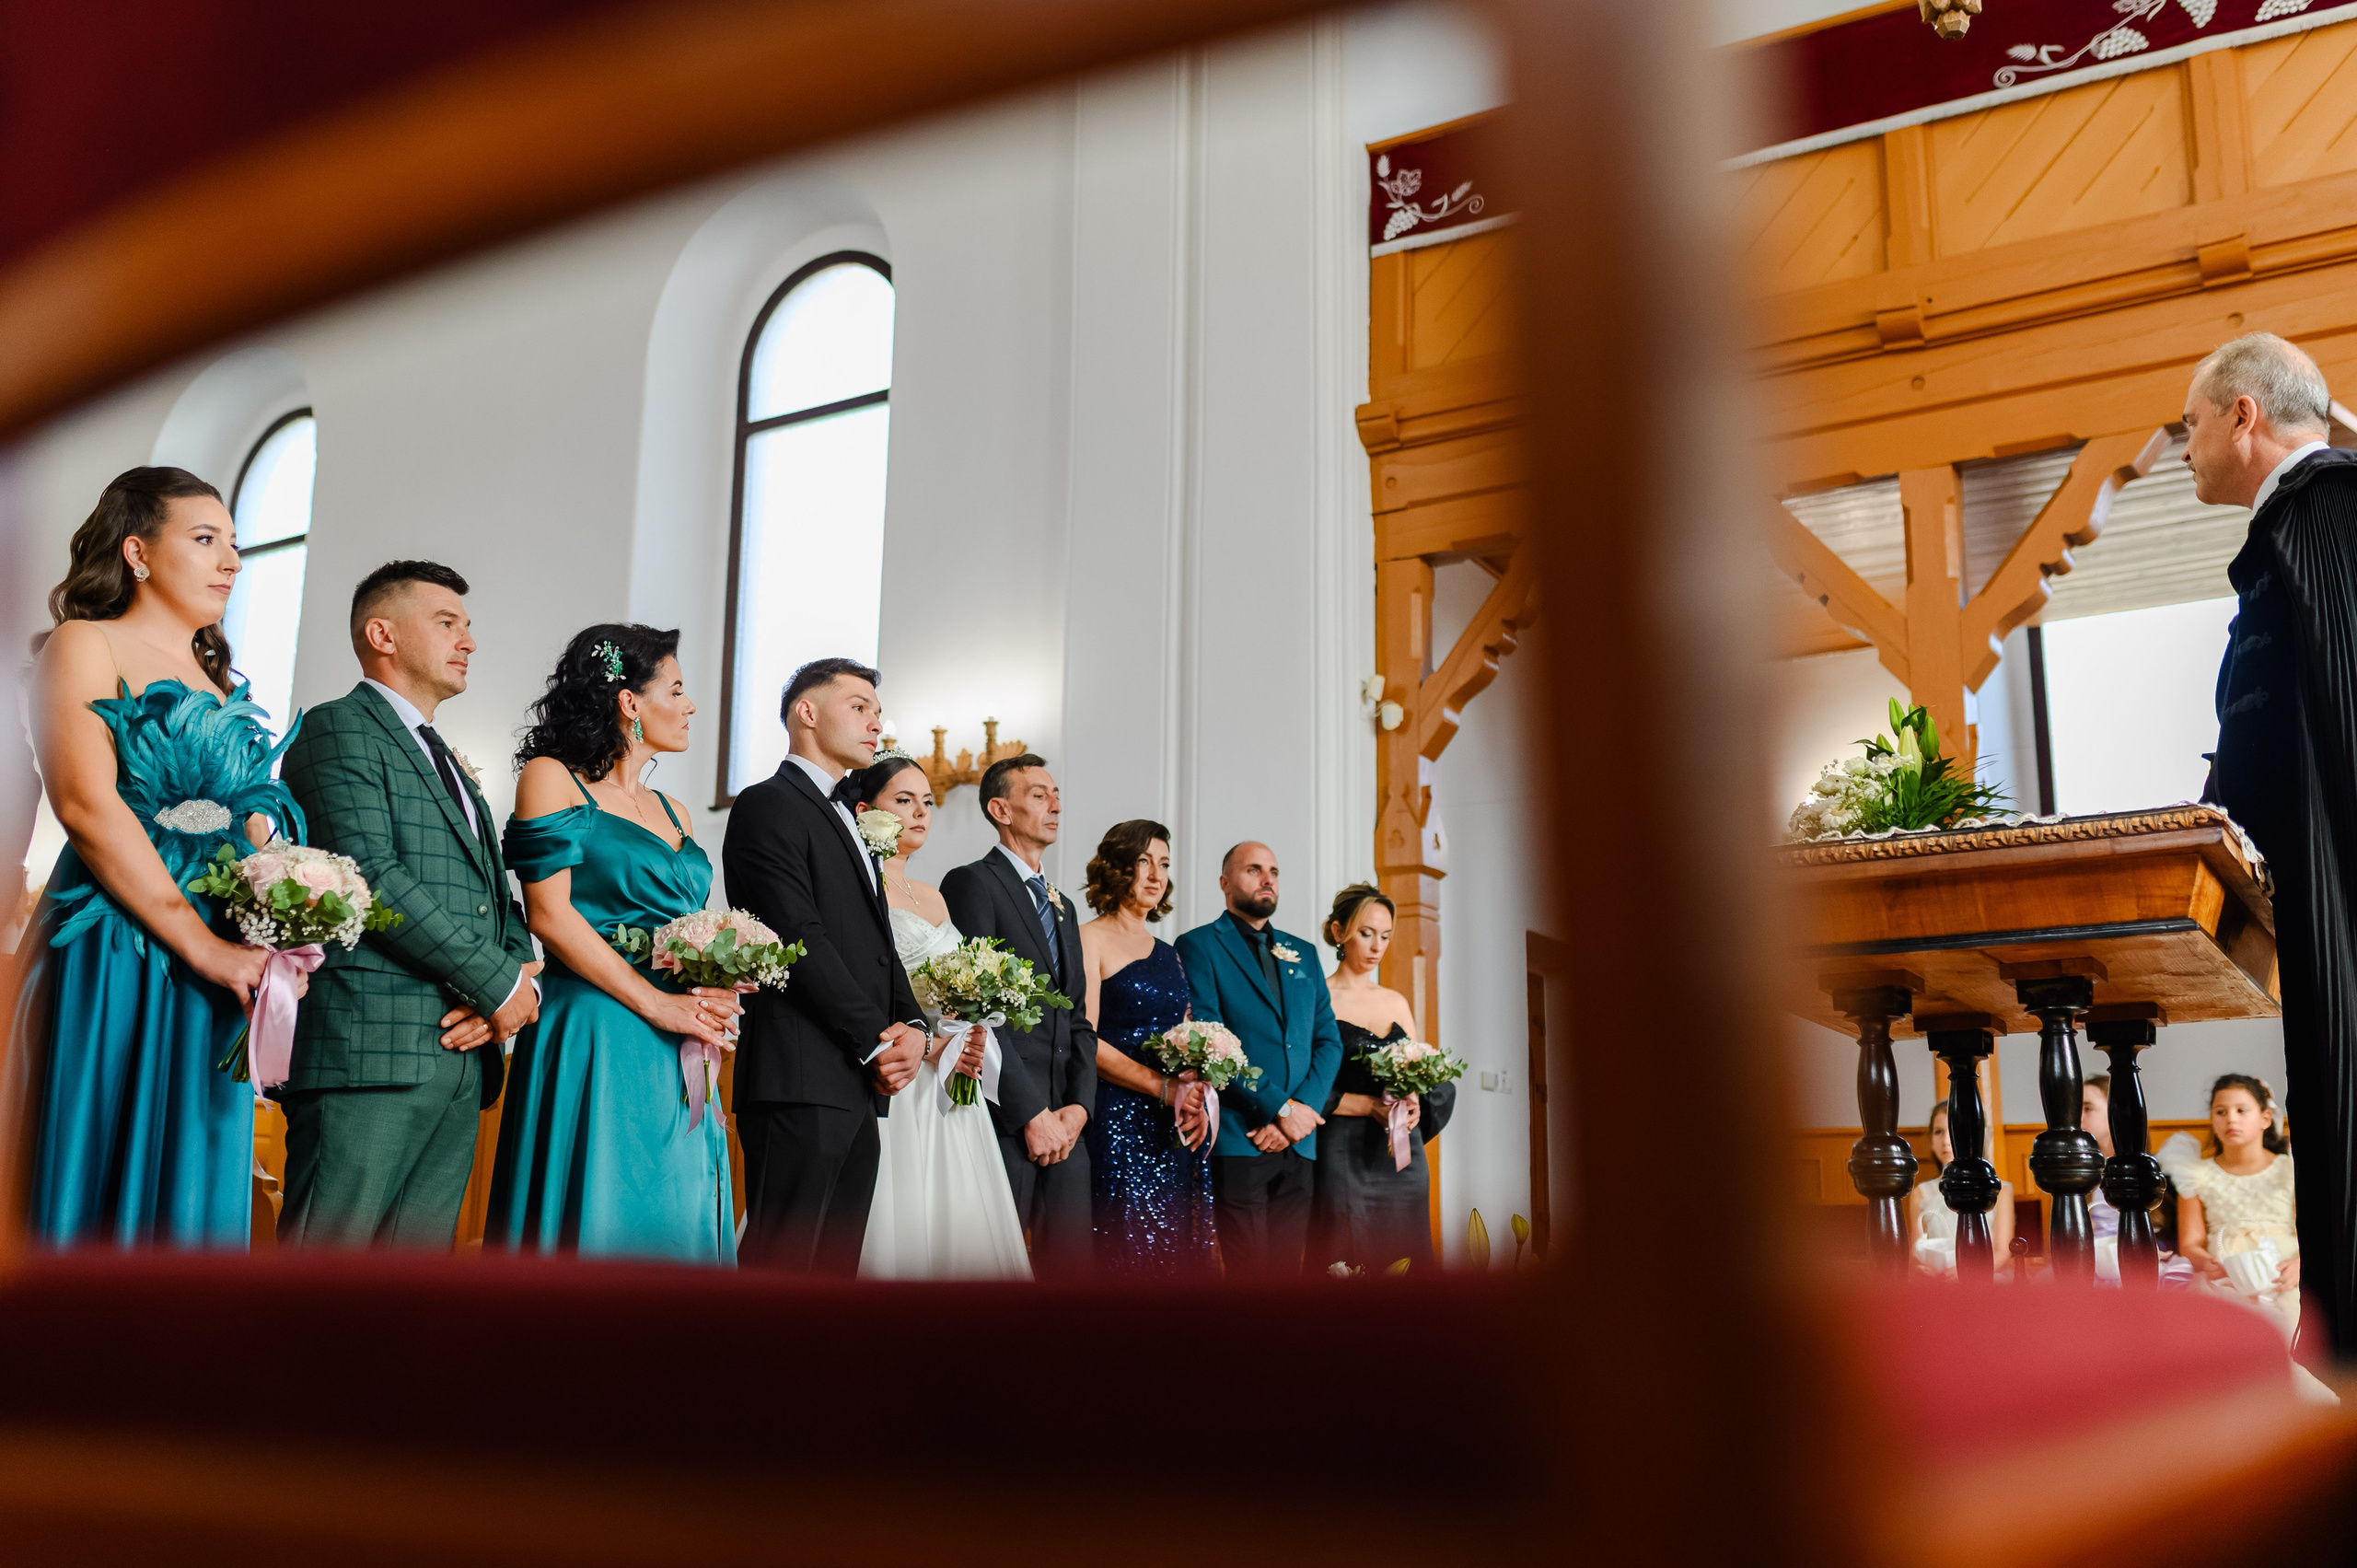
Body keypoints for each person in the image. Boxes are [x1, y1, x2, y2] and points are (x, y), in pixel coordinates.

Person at [9, 467, 303, 1248]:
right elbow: (86, 805)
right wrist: (201, 944)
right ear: (137, 552)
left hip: (221, 952)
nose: (230, 562)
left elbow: (250, 823)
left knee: (196, 1164)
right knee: (99, 1155)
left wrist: (289, 912)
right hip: (118, 937)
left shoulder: (219, 677)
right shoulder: (85, 643)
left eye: (234, 545)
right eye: (205, 540)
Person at [276, 561, 540, 1247]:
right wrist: (495, 982)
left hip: (457, 1054)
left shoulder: (449, 759)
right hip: (369, 1052)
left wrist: (510, 983)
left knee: (406, 1301)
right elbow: (374, 877)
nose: (469, 641)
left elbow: (496, 892)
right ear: (382, 633)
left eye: (468, 626)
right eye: (447, 622)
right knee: (321, 1281)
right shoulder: (338, 729)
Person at [2190, 331, 2357, 1353]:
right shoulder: (2300, 525)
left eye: (2191, 423)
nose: (2184, 447)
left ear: (2243, 415)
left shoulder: (2328, 516)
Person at [483, 625, 743, 1263]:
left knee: (675, 1213)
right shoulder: (554, 779)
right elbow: (550, 915)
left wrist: (719, 982)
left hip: (681, 1035)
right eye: (676, 689)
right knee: (601, 1210)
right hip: (599, 1024)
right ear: (630, 702)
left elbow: (691, 928)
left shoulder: (676, 812)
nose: (688, 706)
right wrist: (656, 1005)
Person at [721, 657, 923, 1273]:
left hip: (855, 1082)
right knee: (782, 1271)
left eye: (878, 712)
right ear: (806, 713)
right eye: (859, 706)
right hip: (799, 1072)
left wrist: (912, 1023)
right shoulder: (767, 803)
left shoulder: (853, 818)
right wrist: (876, 1039)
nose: (876, 722)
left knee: (832, 1280)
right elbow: (794, 934)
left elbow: (876, 942)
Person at [853, 750, 1029, 1280]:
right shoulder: (863, 891)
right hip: (901, 1069)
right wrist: (929, 1043)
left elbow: (956, 984)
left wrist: (973, 1025)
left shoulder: (933, 897)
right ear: (865, 811)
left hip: (953, 1075)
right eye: (903, 801)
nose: (921, 812)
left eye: (927, 802)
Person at [940, 754, 1098, 1275]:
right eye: (1038, 794)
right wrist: (1032, 1114)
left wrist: (1079, 1108)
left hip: (1066, 1125)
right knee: (993, 1275)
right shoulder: (971, 883)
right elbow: (973, 1011)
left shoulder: (1063, 905)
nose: (1055, 804)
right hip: (1005, 1119)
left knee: (1070, 1277)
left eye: (1056, 793)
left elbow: (1075, 1017)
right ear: (1000, 809)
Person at [1173, 841, 1342, 1276]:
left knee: (1287, 1277)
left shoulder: (1303, 952)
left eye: (1274, 871)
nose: (1267, 878)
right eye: (1254, 870)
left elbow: (1328, 1040)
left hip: (1299, 1142)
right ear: (1225, 883)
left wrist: (1300, 1113)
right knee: (1249, 1277)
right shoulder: (1199, 945)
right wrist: (1279, 1109)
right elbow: (1210, 1041)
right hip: (1240, 1136)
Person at [1075, 819, 1213, 1277]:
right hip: (1118, 1119)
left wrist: (1195, 1089)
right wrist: (1164, 1088)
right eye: (1143, 862)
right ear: (1118, 867)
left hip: (1171, 1125)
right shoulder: (1088, 938)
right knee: (1126, 1249)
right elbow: (1085, 1039)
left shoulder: (1170, 951)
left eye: (1165, 864)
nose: (1156, 875)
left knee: (1175, 1249)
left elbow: (1186, 1032)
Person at [1307, 883, 1454, 1272]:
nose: (1377, 946)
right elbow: (1306, 1084)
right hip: (1342, 1151)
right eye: (1366, 933)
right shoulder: (1317, 998)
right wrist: (1366, 1105)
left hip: (1402, 1156)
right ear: (1339, 932)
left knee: (1407, 1252)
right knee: (1346, 1254)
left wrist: (1416, 1104)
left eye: (1385, 936)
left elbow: (1419, 1071)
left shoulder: (1396, 1001)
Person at [2162, 1074, 2301, 1335]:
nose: (2231, 1119)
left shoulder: (2289, 1168)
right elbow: (2191, 1243)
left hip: (2284, 1269)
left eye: (2241, 1110)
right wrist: (2207, 1263)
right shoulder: (2195, 1173)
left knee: (2291, 1324)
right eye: (2221, 1112)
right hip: (2225, 1270)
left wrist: (2299, 1264)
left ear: (2265, 1118)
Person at [1907, 1098, 2016, 1276]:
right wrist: (1924, 1268)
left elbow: (2002, 1252)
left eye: (1954, 1131)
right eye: (1939, 1132)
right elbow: (1916, 1249)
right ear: (1931, 1140)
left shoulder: (2001, 1190)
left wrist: (1967, 1273)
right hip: (1939, 1276)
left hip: (1986, 1274)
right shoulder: (1920, 1193)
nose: (1946, 1141)